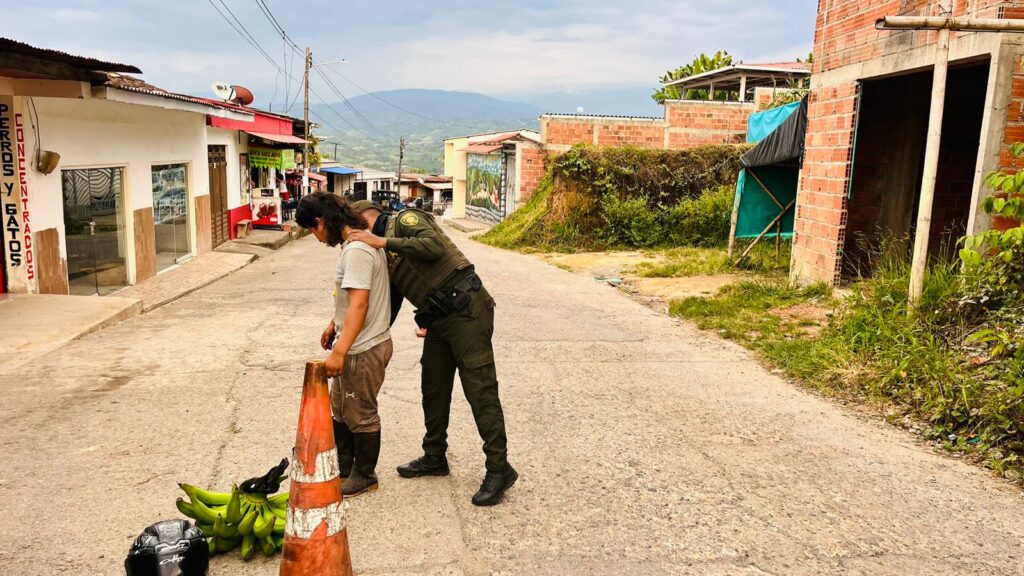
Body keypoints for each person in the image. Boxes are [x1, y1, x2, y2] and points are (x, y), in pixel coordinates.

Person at [348, 200, 517, 507]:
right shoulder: (385, 254)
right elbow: (392, 301)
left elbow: (433, 247)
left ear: (365, 219)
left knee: (480, 391)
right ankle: (434, 456)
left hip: (467, 311)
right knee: (433, 388)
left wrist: (381, 239)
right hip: (438, 321)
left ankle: (499, 468)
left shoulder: (405, 220)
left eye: (356, 228)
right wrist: (367, 335)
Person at [295, 192, 393, 497]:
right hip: (354, 343)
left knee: (360, 412)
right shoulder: (355, 246)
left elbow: (360, 306)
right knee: (341, 409)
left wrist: (339, 351)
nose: (316, 238)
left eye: (313, 231)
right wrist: (333, 324)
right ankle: (346, 465)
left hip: (363, 348)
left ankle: (364, 475)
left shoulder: (357, 251)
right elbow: (350, 299)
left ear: (321, 221)